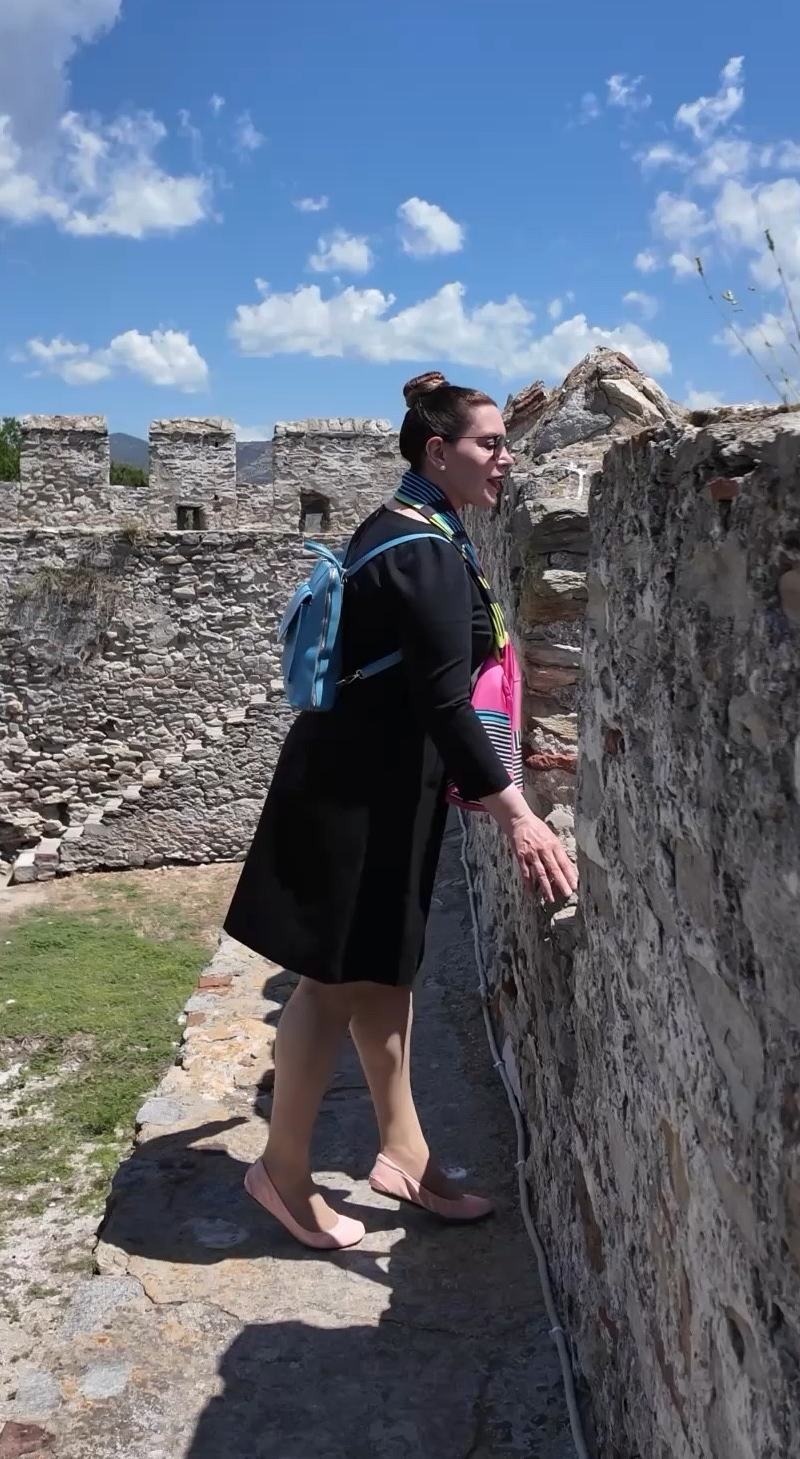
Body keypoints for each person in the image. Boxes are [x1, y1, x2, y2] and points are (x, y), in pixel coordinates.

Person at [224, 370, 578, 1250]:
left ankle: (404, 1156)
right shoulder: (417, 547)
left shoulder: (413, 529)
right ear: (437, 452)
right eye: (489, 444)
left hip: (383, 786)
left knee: (386, 972)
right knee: (331, 983)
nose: (505, 460)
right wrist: (519, 813)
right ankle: (283, 1173)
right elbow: (445, 702)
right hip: (353, 795)